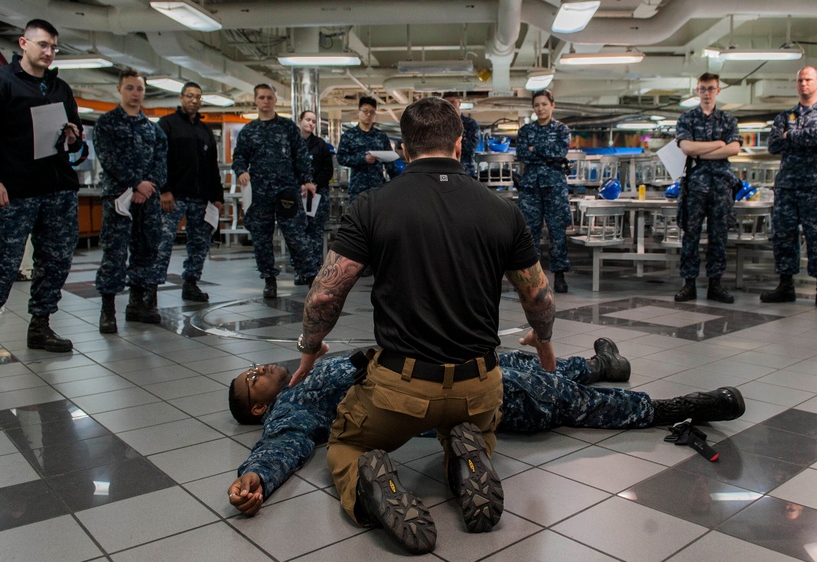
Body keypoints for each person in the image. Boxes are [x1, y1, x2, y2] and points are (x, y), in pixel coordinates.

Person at [291, 97, 555, 554]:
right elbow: (538, 296)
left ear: (403, 148)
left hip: (401, 391)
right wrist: (544, 343)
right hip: (478, 388)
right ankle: (463, 459)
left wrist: (310, 346)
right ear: (459, 145)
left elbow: (325, 295)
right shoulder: (503, 210)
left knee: (344, 445)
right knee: (477, 430)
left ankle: (372, 489)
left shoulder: (372, 205)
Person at [226, 339, 745, 521]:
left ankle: (598, 364)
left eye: (252, 369)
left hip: (449, 372)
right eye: (252, 382)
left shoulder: (303, 375)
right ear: (258, 409)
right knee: (561, 399)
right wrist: (257, 477)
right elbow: (283, 445)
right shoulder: (289, 408)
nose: (259, 370)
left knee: (526, 366)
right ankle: (671, 408)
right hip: (458, 398)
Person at [0, 19, 84, 366]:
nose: (49, 52)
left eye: (54, 47)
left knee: (55, 261)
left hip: (57, 189)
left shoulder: (60, 88)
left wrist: (74, 138)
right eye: (43, 44)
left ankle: (40, 325)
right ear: (23, 43)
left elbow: (75, 141)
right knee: (4, 263)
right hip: (16, 191)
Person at [93, 69, 168, 334]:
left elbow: (161, 163)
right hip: (118, 199)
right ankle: (108, 310)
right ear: (119, 89)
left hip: (147, 200)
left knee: (146, 251)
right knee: (114, 252)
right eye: (129, 88)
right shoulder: (106, 124)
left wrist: (147, 187)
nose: (135, 94)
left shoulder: (153, 129)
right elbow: (108, 159)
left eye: (139, 89)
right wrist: (136, 182)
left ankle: (137, 304)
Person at [760, 67, 817, 309]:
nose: (804, 84)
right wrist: (796, 137)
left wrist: (790, 136)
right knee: (784, 236)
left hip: (816, 186)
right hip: (787, 186)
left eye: (808, 79)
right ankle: (786, 285)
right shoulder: (785, 116)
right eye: (800, 80)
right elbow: (773, 145)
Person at [231, 84, 317, 298]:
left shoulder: (287, 127)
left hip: (287, 190)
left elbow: (301, 154)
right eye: (262, 97)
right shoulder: (249, 131)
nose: (266, 101)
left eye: (269, 97)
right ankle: (269, 279)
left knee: (296, 236)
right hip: (260, 193)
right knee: (261, 238)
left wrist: (307, 180)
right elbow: (239, 156)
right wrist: (241, 171)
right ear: (255, 100)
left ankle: (311, 277)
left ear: (275, 100)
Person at [154, 81, 225, 302]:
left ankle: (191, 283)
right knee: (163, 242)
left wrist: (217, 196)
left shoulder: (205, 131)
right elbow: (158, 160)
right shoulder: (167, 125)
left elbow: (212, 166)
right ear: (181, 98)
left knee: (199, 243)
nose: (194, 100)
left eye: (198, 97)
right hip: (173, 196)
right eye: (190, 96)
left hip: (201, 197)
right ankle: (150, 289)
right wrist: (164, 190)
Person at [675, 72, 742, 304]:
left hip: (721, 186)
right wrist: (718, 144)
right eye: (703, 89)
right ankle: (689, 284)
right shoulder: (687, 118)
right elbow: (686, 148)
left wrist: (701, 152)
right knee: (691, 235)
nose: (706, 93)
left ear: (718, 90)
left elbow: (734, 149)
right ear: (697, 90)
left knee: (719, 236)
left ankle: (716, 284)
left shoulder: (728, 119)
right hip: (695, 185)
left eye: (711, 88)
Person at [516, 89, 573, 293]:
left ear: (552, 105)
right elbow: (522, 154)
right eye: (536, 105)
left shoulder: (561, 129)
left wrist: (535, 148)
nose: (540, 108)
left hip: (555, 187)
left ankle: (559, 275)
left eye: (544, 104)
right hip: (530, 187)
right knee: (529, 233)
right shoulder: (526, 130)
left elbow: (560, 152)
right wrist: (546, 154)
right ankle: (533, 277)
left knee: (557, 231)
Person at [291, 109, 334, 286]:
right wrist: (300, 184)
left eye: (313, 121)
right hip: (297, 194)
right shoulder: (292, 143)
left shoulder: (320, 145)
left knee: (315, 233)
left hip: (317, 194)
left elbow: (328, 170)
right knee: (297, 234)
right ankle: (299, 270)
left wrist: (314, 184)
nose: (310, 123)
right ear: (300, 120)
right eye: (308, 119)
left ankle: (315, 269)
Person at [336, 96, 398, 203]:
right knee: (357, 213)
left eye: (372, 112)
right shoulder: (349, 135)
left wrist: (398, 180)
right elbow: (341, 158)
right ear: (358, 112)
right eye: (365, 111)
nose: (368, 115)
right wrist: (362, 159)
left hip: (377, 188)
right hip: (357, 188)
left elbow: (390, 162)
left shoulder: (381, 136)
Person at [442, 92, 480, 177]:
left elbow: (471, 148)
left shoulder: (470, 124)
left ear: (459, 103)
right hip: (445, 172)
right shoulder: (439, 125)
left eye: (452, 102)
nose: (450, 106)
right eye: (446, 103)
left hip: (466, 172)